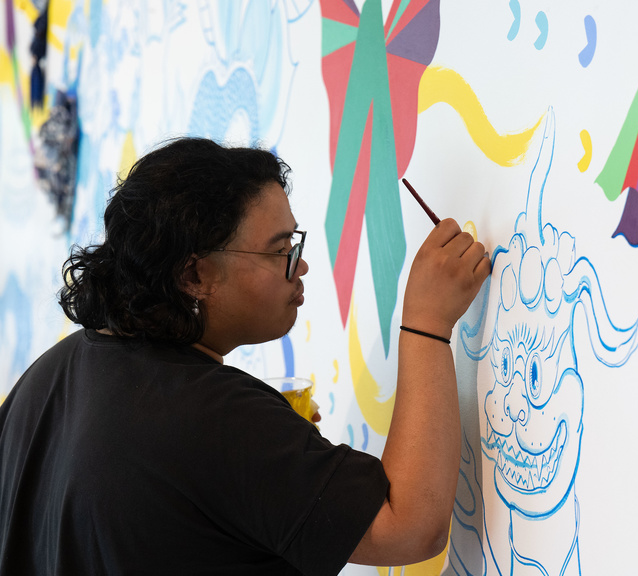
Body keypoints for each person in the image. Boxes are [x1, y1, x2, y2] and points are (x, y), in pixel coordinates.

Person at [0, 137, 491, 575]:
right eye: (280, 250)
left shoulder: (48, 376)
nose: (300, 266)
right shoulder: (208, 416)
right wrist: (426, 323)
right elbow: (410, 526)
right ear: (194, 275)